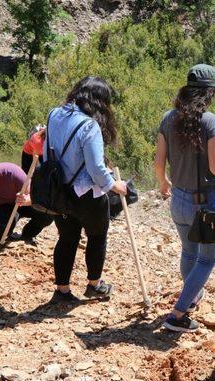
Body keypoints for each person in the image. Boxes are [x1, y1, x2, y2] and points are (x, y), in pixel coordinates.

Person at [154, 64, 215, 333]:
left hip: (178, 199)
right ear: (209, 92)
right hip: (206, 202)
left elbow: (158, 163)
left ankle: (190, 298)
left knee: (189, 251)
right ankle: (177, 315)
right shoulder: (209, 121)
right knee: (207, 259)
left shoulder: (168, 117)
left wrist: (164, 183)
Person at [45, 76, 128, 304]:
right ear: (100, 101)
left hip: (60, 191)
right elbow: (96, 168)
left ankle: (61, 290)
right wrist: (113, 185)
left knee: (67, 239)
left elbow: (47, 152)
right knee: (97, 237)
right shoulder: (90, 126)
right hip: (87, 194)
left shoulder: (54, 114)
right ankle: (94, 285)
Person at [0, 163, 52, 247]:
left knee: (47, 213)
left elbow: (34, 196)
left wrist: (25, 200)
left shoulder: (12, 173)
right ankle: (8, 235)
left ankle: (27, 235)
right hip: (4, 208)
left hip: (26, 203)